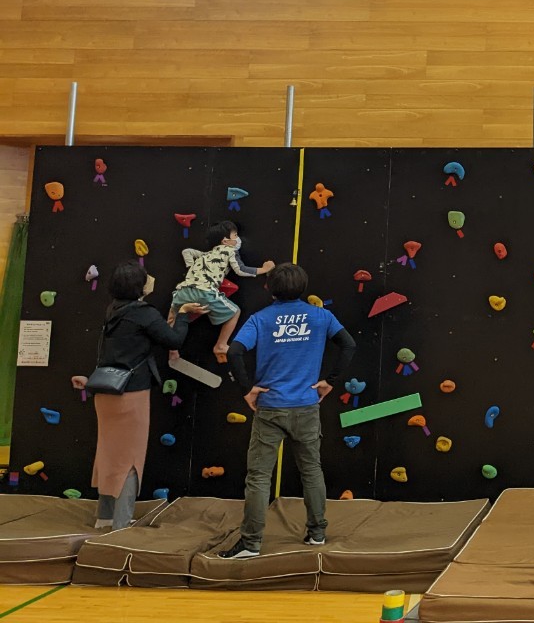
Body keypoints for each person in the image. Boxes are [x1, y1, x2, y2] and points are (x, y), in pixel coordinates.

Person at [218, 263, 356, 559]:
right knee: (311, 471)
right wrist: (329, 382)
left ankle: (251, 544)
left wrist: (247, 389)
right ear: (304, 287)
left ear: (269, 288)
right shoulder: (321, 316)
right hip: (306, 406)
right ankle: (317, 534)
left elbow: (234, 351)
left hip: (270, 408)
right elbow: (348, 344)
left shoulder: (261, 319)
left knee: (258, 477)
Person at [73, 262, 207, 529]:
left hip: (105, 392)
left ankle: (105, 516)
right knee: (130, 459)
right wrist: (182, 314)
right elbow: (173, 340)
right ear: (139, 287)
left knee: (109, 453)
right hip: (130, 394)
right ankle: (121, 524)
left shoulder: (113, 310)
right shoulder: (143, 313)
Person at [169, 221, 274, 359]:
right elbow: (241, 270)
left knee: (172, 316)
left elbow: (186, 251)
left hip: (183, 290)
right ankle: (221, 345)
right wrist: (264, 269)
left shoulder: (205, 254)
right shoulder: (230, 251)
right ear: (225, 241)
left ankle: (172, 349)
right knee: (235, 312)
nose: (237, 239)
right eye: (235, 235)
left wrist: (191, 267)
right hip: (205, 291)